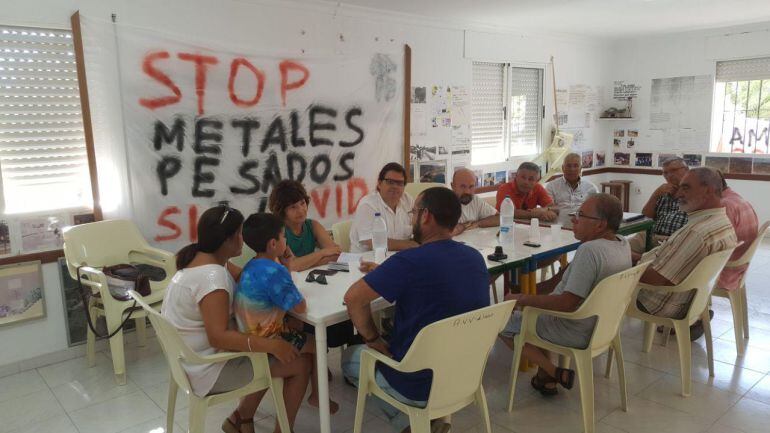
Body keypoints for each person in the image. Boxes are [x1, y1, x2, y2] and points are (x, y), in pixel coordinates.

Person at [341, 187, 490, 433]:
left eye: (413, 212)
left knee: (350, 360)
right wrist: (387, 272)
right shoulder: (474, 258)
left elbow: (353, 299)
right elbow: (437, 280)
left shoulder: (409, 262)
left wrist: (373, 339)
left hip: (417, 381)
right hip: (465, 374)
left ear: (426, 216)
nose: (411, 218)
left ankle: (409, 425)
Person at [161, 205, 311, 433]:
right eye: (240, 234)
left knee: (264, 346)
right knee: (300, 363)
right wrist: (272, 344)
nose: (244, 239)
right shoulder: (213, 278)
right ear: (227, 240)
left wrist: (278, 269)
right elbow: (218, 337)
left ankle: (241, 420)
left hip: (188, 361)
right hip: (208, 370)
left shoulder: (205, 261)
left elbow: (244, 278)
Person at [501, 194, 632, 396]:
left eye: (581, 215)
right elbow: (564, 278)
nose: (574, 219)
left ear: (600, 225)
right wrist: (532, 293)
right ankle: (545, 376)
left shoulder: (590, 251)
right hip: (604, 325)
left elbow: (566, 303)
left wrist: (521, 299)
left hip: (574, 328)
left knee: (502, 323)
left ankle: (554, 371)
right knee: (536, 308)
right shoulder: (622, 243)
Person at [234, 213, 339, 414]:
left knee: (308, 338)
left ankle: (317, 395)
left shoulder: (252, 264)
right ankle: (318, 396)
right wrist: (288, 266)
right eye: (283, 237)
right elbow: (300, 307)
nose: (286, 240)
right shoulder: (275, 271)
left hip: (248, 334)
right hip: (266, 340)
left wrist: (286, 267)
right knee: (318, 344)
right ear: (273, 243)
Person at [635, 167, 738, 341]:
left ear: (708, 190)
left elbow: (656, 278)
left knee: (598, 276)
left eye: (686, 188)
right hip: (693, 300)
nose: (678, 194)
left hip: (661, 303)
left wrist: (622, 269)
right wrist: (632, 257)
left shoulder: (697, 232)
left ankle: (586, 338)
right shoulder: (722, 222)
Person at [268, 179, 341, 272]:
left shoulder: (313, 225)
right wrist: (322, 253)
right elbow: (292, 266)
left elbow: (336, 253)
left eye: (302, 203)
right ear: (281, 210)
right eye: (293, 207)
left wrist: (303, 264)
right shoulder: (279, 232)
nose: (301, 210)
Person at [350, 162, 419, 253]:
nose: (395, 186)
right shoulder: (367, 205)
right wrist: (410, 245)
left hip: (399, 257)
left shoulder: (408, 200)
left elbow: (418, 227)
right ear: (379, 183)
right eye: (390, 182)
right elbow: (371, 242)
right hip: (367, 260)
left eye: (399, 183)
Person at [630, 157, 689, 255]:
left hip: (675, 239)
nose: (669, 175)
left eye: (674, 170)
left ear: (687, 170)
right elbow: (646, 216)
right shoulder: (663, 191)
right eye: (665, 173)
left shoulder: (694, 193)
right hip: (651, 235)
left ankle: (641, 259)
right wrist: (656, 194)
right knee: (619, 249)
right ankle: (641, 259)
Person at [715, 172, 758, 295]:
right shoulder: (736, 198)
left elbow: (716, 247)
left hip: (725, 273)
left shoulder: (724, 205)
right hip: (738, 269)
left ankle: (693, 311)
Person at [545, 153, 598, 226]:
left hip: (583, 227)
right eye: (568, 166)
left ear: (580, 168)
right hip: (558, 226)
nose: (572, 169)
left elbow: (597, 210)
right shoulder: (551, 186)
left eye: (576, 166)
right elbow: (548, 208)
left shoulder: (591, 188)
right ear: (563, 168)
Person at [450, 168, 498, 236]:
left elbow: (498, 218)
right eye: (462, 186)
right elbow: (440, 233)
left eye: (471, 186)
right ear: (453, 186)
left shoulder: (475, 200)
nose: (467, 191)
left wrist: (478, 223)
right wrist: (464, 226)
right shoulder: (444, 202)